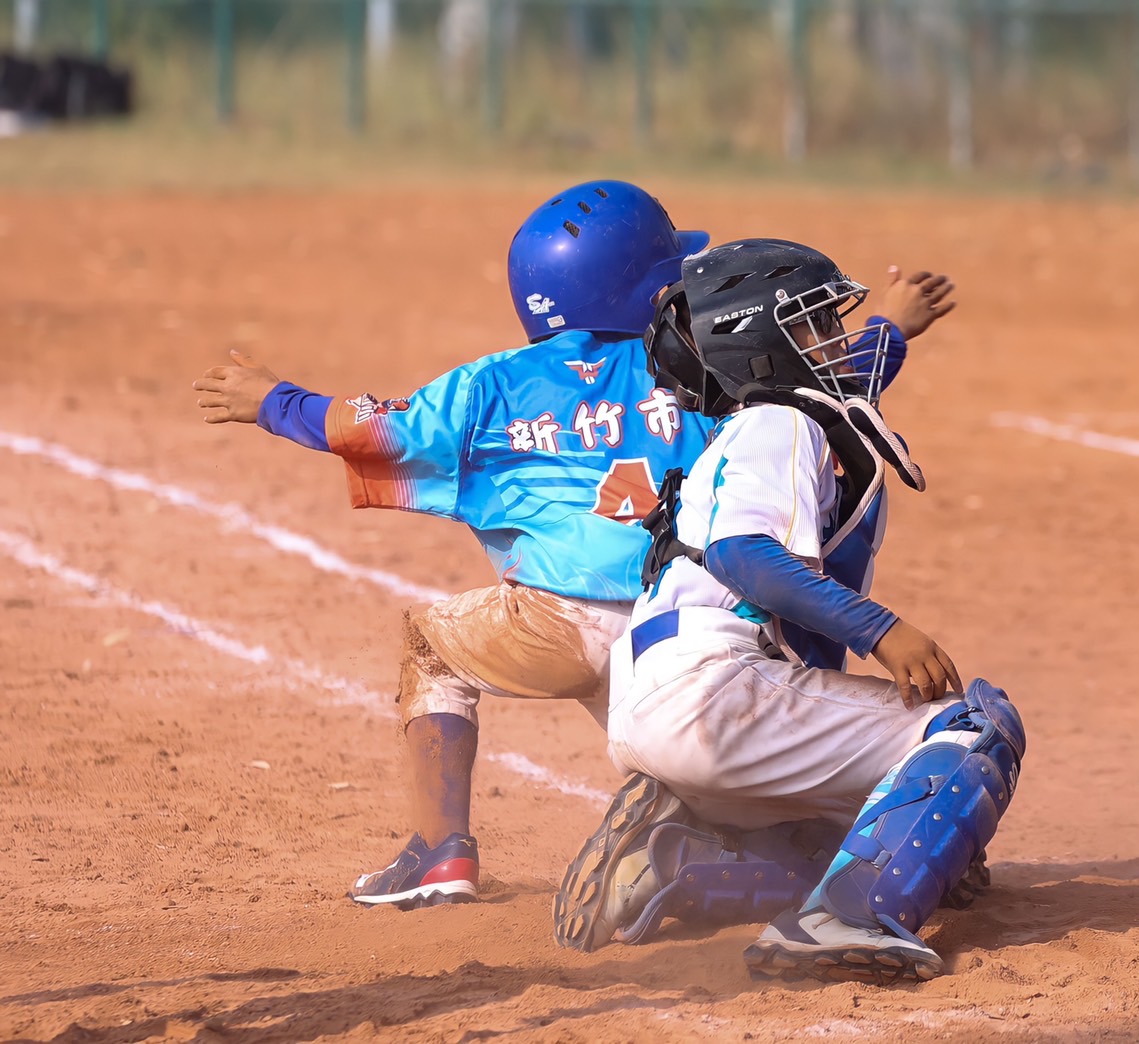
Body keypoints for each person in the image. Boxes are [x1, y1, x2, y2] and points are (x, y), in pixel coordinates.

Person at [190, 181, 959, 914]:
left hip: (554, 626)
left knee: (429, 644)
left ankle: (440, 852)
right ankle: (856, 842)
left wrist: (271, 402)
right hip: (684, 636)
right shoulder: (700, 371)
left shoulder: (491, 385)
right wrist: (890, 326)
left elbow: (370, 428)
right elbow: (815, 382)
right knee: (724, 783)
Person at [591, 238, 1025, 984]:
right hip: (715, 693)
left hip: (661, 694)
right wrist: (882, 631)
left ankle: (683, 860)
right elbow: (742, 556)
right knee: (973, 728)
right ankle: (843, 919)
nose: (836, 342)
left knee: (885, 837)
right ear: (763, 345)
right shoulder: (779, 425)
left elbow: (845, 388)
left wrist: (893, 327)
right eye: (814, 326)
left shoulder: (766, 423)